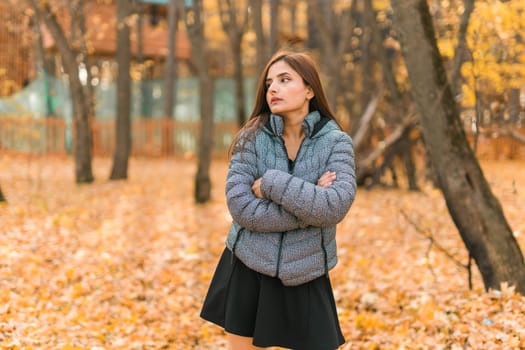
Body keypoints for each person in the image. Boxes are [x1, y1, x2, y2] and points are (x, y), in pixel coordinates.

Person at [200, 50, 356, 350]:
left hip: (307, 270)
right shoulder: (250, 137)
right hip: (248, 265)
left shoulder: (337, 143)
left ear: (309, 89)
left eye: (285, 80)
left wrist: (272, 183)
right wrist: (311, 201)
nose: (273, 88)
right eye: (269, 82)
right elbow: (242, 208)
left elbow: (334, 207)